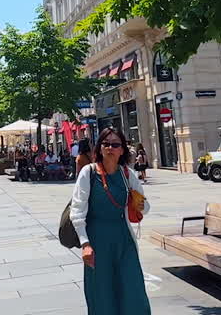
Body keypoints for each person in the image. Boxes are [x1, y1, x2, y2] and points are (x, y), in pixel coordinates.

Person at [69, 127, 151, 315]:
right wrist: (85, 244)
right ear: (99, 148)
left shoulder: (128, 175)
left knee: (134, 292)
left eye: (115, 144)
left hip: (124, 240)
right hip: (97, 241)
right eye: (106, 144)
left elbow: (145, 209)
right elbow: (77, 211)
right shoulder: (88, 173)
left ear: (122, 149)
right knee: (102, 294)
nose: (110, 148)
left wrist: (137, 199)